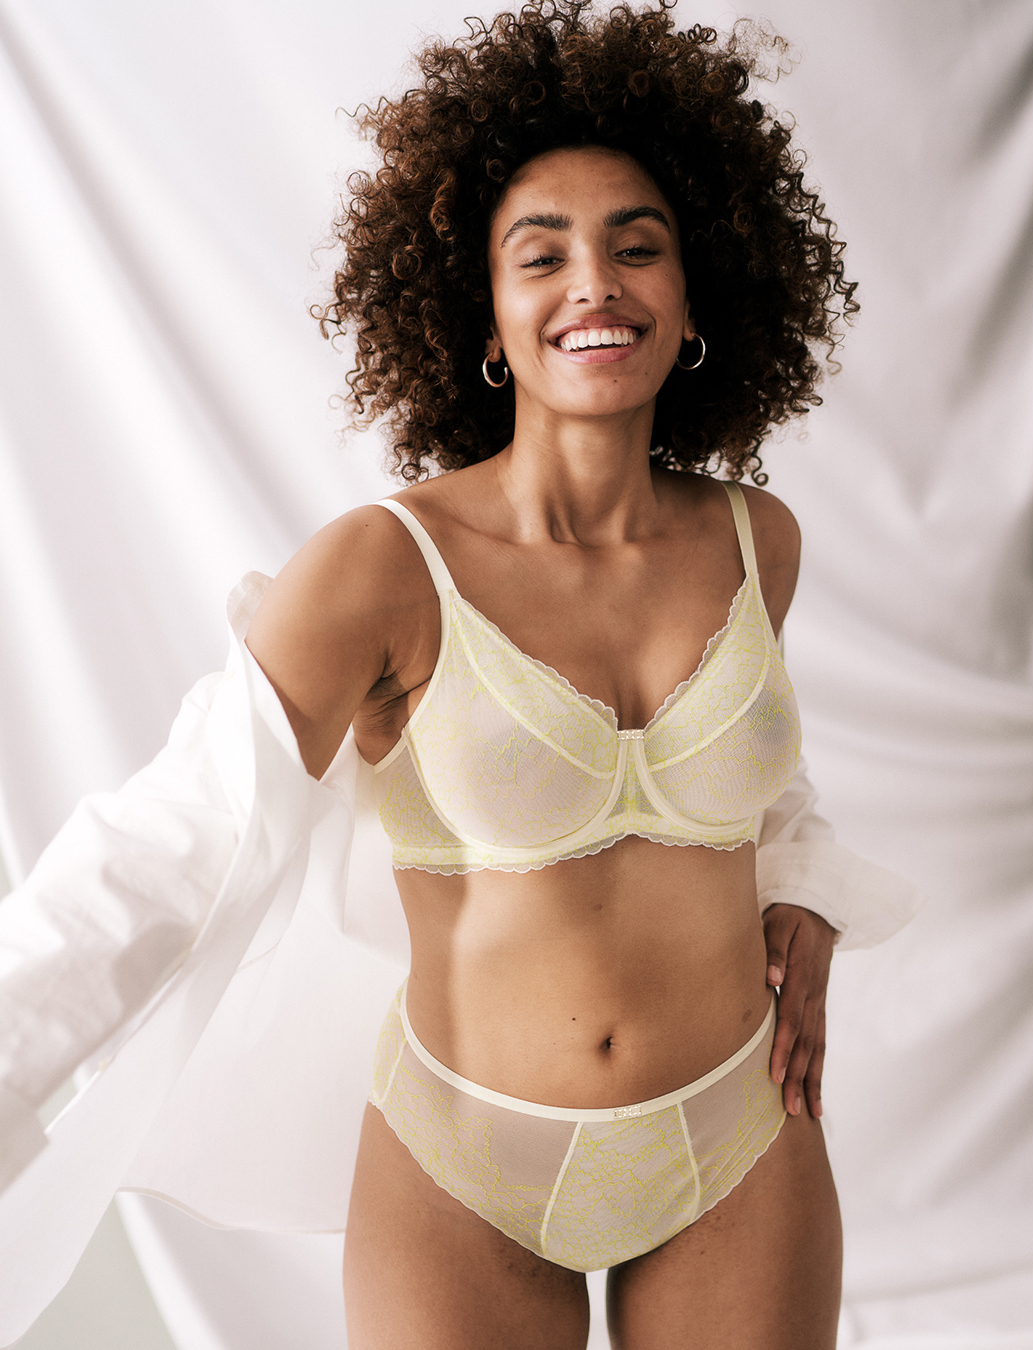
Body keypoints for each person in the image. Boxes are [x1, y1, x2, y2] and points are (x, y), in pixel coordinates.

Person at [0, 3, 920, 1347]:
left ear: (694, 296)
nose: (594, 284)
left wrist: (806, 889)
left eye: (637, 246)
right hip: (469, 1167)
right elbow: (173, 837)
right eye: (541, 255)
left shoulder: (753, 540)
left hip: (739, 1137)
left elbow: (751, 769)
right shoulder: (384, 568)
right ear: (485, 317)